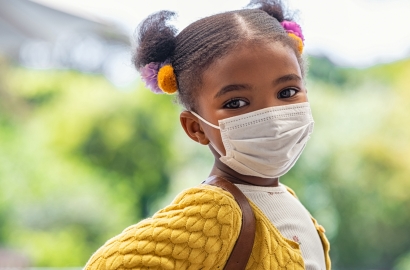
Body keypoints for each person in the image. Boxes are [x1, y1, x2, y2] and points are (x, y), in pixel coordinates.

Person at [84, 0, 331, 269]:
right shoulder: (218, 212)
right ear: (196, 127)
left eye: (287, 92)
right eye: (236, 103)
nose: (271, 117)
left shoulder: (284, 198)